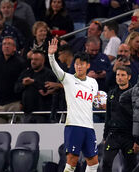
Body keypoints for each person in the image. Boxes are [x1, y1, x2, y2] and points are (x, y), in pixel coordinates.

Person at [48, 38, 99, 171]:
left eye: (82, 64)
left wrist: (101, 104)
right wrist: (51, 56)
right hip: (73, 126)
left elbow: (94, 102)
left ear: (88, 65)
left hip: (89, 126)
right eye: (76, 64)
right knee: (72, 162)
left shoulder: (93, 82)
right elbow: (55, 69)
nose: (79, 66)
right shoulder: (68, 79)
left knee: (94, 162)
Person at [102, 66, 139, 171]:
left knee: (130, 165)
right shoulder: (111, 94)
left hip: (129, 136)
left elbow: (138, 118)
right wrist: (105, 136)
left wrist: (138, 140)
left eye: (123, 75)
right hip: (113, 135)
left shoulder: (135, 94)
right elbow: (108, 116)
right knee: (106, 163)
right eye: (118, 75)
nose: (119, 77)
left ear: (129, 77)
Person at [0, 36, 26, 123]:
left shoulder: (21, 63)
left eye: (9, 44)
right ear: (1, 47)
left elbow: (24, 84)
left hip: (15, 104)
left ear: (14, 48)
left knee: (16, 132)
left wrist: (22, 103)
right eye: (4, 44)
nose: (6, 46)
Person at [15, 49, 57, 123]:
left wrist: (34, 82)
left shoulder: (49, 73)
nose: (33, 62)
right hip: (27, 113)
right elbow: (16, 89)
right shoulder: (26, 73)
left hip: (43, 114)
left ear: (43, 61)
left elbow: (48, 89)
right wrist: (23, 84)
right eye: (32, 59)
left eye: (36, 59)